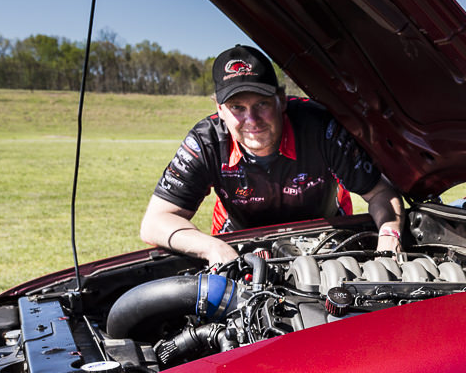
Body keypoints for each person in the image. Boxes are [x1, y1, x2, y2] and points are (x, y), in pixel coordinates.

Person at [141, 44, 404, 266]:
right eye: (237, 108)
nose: (251, 120)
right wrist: (214, 249)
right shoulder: (206, 141)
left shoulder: (320, 127)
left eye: (261, 104)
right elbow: (155, 222)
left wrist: (389, 239)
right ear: (219, 109)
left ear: (281, 99)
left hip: (325, 235)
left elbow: (381, 192)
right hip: (238, 240)